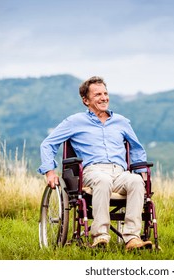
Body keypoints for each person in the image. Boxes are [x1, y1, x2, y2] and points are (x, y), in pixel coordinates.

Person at [37, 76, 152, 250]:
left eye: (105, 93)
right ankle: (100, 236)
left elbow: (136, 148)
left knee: (136, 181)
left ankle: (132, 238)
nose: (104, 97)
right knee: (102, 180)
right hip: (92, 171)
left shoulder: (122, 122)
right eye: (97, 94)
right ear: (86, 100)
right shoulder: (74, 122)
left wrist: (141, 171)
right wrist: (49, 172)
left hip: (119, 172)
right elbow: (48, 144)